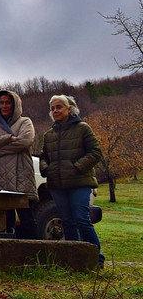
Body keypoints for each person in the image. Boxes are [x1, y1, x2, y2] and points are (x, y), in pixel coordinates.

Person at [40, 95, 104, 265]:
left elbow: (96, 152)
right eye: (53, 108)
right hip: (57, 185)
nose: (55, 111)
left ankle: (96, 259)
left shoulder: (83, 128)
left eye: (59, 107)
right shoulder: (48, 135)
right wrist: (46, 169)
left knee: (81, 218)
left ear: (70, 109)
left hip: (80, 182)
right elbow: (43, 157)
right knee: (67, 222)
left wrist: (76, 167)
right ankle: (74, 261)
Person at [0, 90, 38, 238]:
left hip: (20, 174)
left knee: (26, 216)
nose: (4, 106)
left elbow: (25, 141)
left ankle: (34, 250)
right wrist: (9, 138)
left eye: (8, 102)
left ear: (15, 104)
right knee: (5, 219)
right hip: (0, 176)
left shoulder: (25, 122)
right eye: (1, 103)